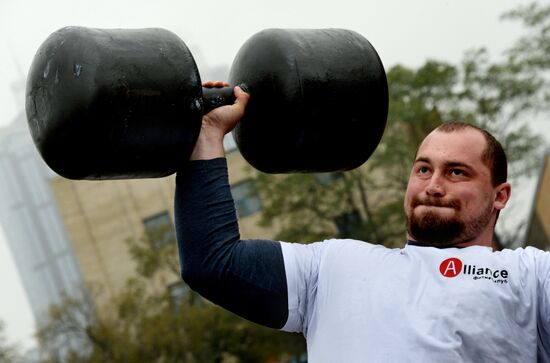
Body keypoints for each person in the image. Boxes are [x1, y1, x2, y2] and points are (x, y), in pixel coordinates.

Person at [174, 83, 550, 362]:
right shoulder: (331, 267)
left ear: (500, 195)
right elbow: (212, 263)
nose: (433, 186)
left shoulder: (530, 276)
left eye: (456, 172)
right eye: (423, 169)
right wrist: (208, 133)